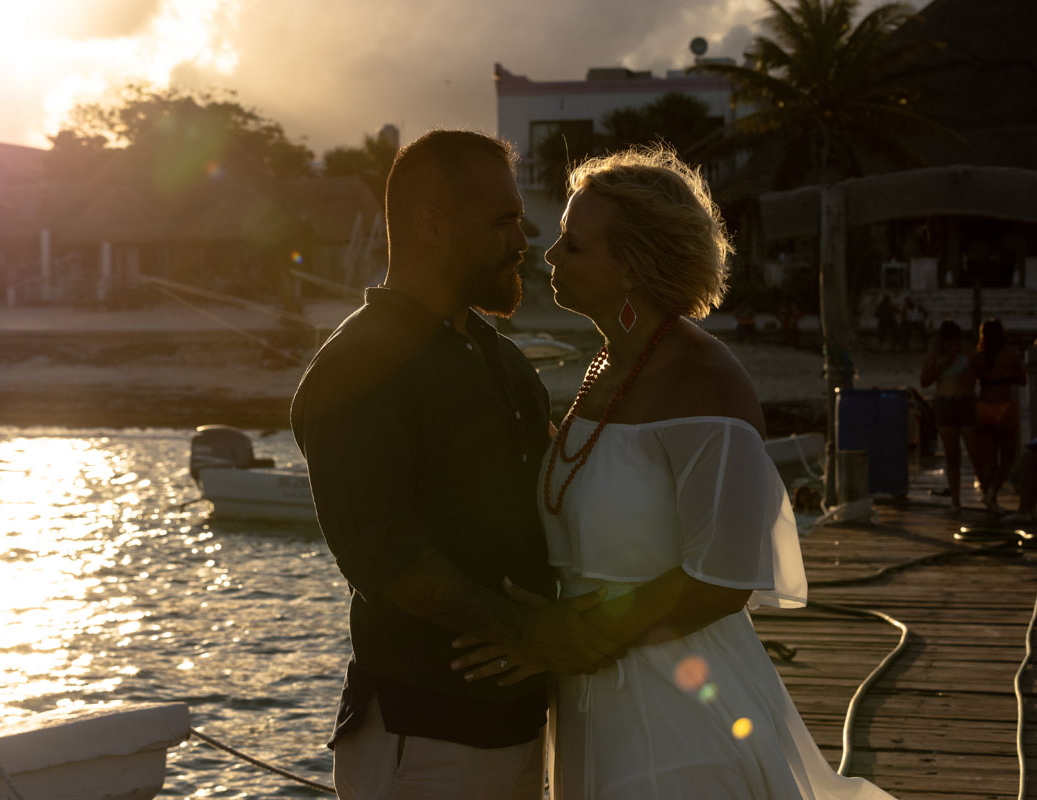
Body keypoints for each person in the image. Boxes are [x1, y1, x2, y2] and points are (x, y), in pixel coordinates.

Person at [453, 146, 894, 798]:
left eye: (573, 246)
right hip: (592, 700)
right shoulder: (606, 367)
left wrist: (574, 634)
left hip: (680, 717)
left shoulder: (704, 382)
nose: (549, 258)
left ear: (632, 267)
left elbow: (722, 577)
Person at [291, 129, 622, 800]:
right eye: (503, 223)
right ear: (432, 225)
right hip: (425, 736)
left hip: (522, 724)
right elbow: (383, 552)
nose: (523, 242)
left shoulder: (500, 359)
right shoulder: (359, 366)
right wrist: (534, 631)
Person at [920, 320, 978, 516]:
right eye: (948, 342)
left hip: (966, 402)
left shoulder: (969, 354)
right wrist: (942, 365)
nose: (952, 346)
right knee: (952, 456)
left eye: (956, 342)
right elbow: (925, 381)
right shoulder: (935, 356)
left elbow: (979, 376)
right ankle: (956, 501)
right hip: (946, 403)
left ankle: (989, 495)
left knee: (976, 454)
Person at [972, 318, 1027, 515]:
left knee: (989, 460)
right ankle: (992, 493)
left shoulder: (978, 358)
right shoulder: (1010, 355)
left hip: (983, 408)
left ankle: (989, 496)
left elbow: (971, 384)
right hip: (1004, 408)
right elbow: (1023, 380)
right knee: (1008, 458)